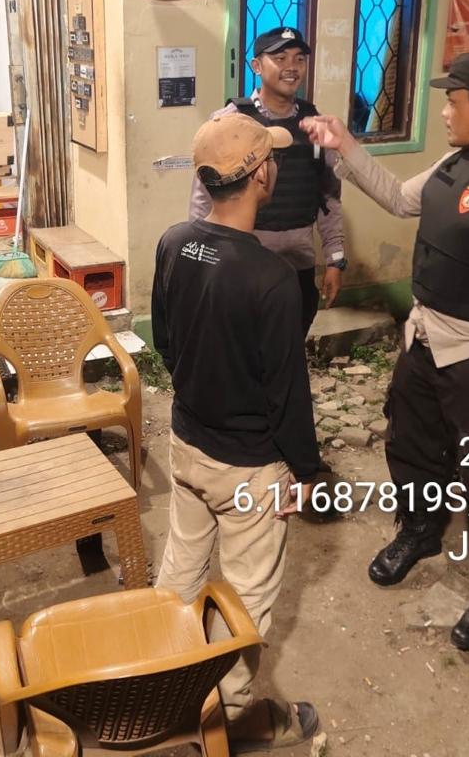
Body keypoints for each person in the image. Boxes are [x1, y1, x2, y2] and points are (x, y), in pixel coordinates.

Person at [303, 52, 469, 651]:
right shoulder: (455, 164)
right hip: (424, 338)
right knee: (412, 444)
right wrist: (345, 145)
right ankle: (421, 530)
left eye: (453, 102)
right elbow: (401, 200)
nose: (445, 112)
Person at [152, 112, 322, 749]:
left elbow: (166, 340)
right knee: (245, 602)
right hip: (249, 469)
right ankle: (229, 721)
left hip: (187, 444)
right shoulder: (271, 278)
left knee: (181, 568)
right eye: (269, 158)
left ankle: (161, 688)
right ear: (260, 176)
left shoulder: (174, 242)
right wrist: (306, 471)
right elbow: (287, 394)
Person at [189, 26, 346, 334]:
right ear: (257, 66)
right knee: (241, 347)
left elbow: (329, 198)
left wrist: (335, 259)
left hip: (298, 265)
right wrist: (203, 261)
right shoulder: (231, 121)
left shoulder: (315, 126)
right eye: (280, 58)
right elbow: (203, 197)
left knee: (290, 344)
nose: (292, 67)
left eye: (299, 59)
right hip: (241, 263)